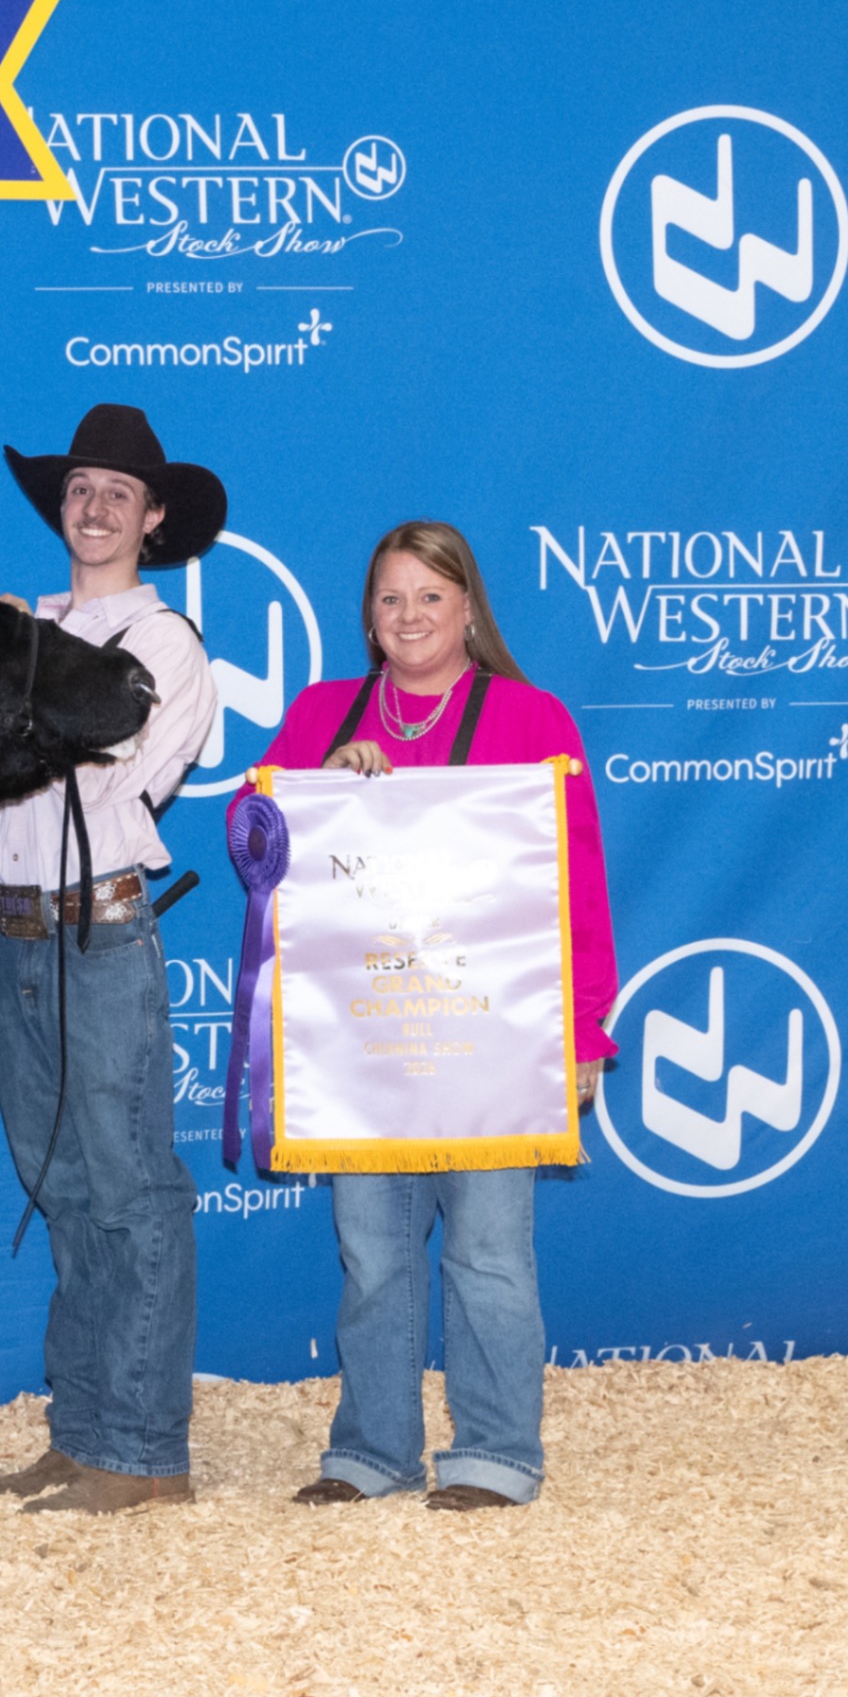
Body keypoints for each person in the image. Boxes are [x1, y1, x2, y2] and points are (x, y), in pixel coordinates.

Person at [264, 520, 616, 1512]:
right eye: (389, 598)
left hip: (494, 1040)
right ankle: (373, 1450)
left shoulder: (532, 718)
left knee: (490, 1250)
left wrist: (585, 1028)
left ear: (468, 608)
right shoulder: (323, 715)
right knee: (372, 1255)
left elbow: (577, 883)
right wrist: (322, 785)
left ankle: (498, 1451)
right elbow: (255, 840)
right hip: (366, 1040)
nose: (409, 615)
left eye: (429, 595)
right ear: (367, 620)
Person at [0, 405, 225, 1515]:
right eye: (81, 487)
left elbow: (109, 766)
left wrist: (22, 710)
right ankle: (82, 1431)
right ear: (60, 505)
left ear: (154, 519)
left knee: (129, 1184)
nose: (97, 505)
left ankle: (147, 1448)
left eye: (121, 492)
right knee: (61, 1183)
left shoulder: (165, 646)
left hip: (99, 924)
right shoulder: (25, 633)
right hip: (11, 921)